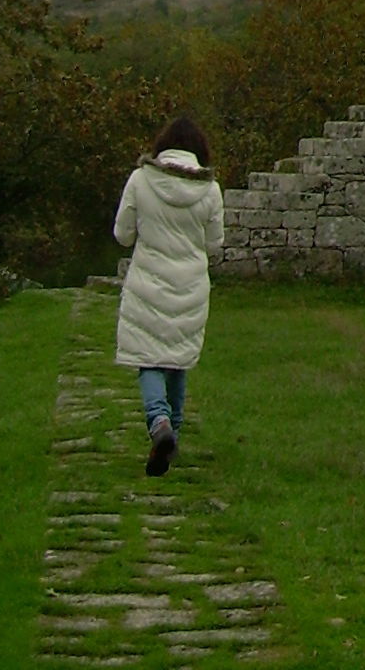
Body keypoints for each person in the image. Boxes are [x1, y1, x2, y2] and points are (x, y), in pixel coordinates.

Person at [112, 114, 224, 477]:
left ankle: (159, 423)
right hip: (191, 284)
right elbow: (214, 244)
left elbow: (123, 235)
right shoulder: (210, 189)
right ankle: (171, 434)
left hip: (148, 280)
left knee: (148, 357)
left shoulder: (141, 179)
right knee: (178, 360)